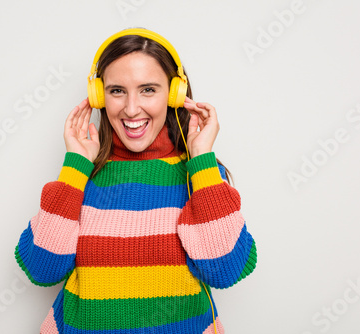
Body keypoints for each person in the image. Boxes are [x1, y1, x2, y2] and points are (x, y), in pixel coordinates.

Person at [14, 28, 257, 334]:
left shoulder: (201, 175)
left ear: (174, 94)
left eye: (148, 90)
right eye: (117, 91)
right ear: (99, 96)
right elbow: (42, 269)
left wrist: (201, 158)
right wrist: (75, 166)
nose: (131, 109)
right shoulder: (81, 176)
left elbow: (226, 269)